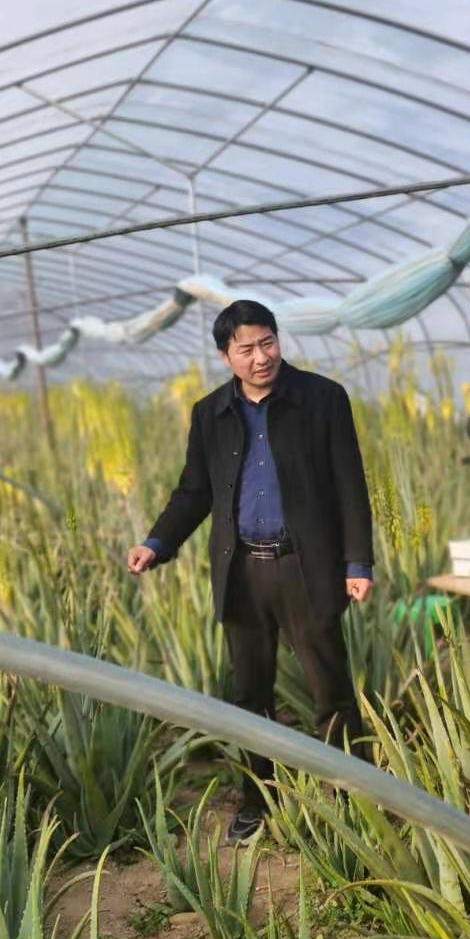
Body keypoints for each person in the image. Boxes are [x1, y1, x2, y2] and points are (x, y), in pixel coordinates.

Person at [127, 301, 374, 842]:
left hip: (305, 567)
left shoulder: (322, 399)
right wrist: (157, 542)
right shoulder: (210, 414)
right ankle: (257, 800)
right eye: (247, 349)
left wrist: (357, 561)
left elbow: (350, 484)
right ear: (226, 356)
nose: (261, 357)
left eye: (268, 342)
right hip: (242, 570)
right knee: (250, 694)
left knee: (330, 691)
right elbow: (194, 492)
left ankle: (354, 802)